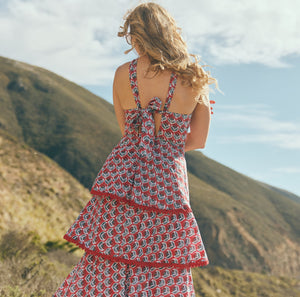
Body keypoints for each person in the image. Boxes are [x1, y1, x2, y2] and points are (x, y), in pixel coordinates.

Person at [53, 2, 220, 296]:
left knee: (110, 254)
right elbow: (199, 140)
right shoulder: (192, 77)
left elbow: (126, 132)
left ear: (135, 36)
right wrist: (167, 147)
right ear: (169, 32)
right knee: (163, 259)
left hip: (124, 174)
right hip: (168, 178)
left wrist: (145, 143)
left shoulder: (122, 74)